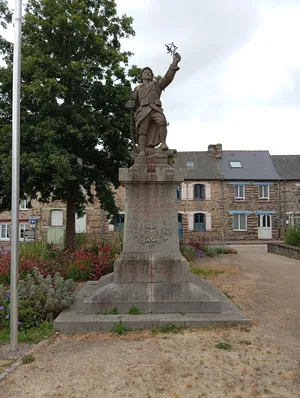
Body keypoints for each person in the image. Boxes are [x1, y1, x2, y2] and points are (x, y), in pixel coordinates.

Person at [126, 53, 181, 156]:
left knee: (162, 121)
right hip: (143, 111)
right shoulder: (138, 88)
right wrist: (130, 104)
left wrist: (174, 64)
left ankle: (163, 143)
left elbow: (167, 79)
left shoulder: (156, 85)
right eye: (145, 72)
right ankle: (142, 151)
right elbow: (133, 101)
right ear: (141, 76)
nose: (148, 73)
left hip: (155, 108)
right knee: (142, 130)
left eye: (149, 72)